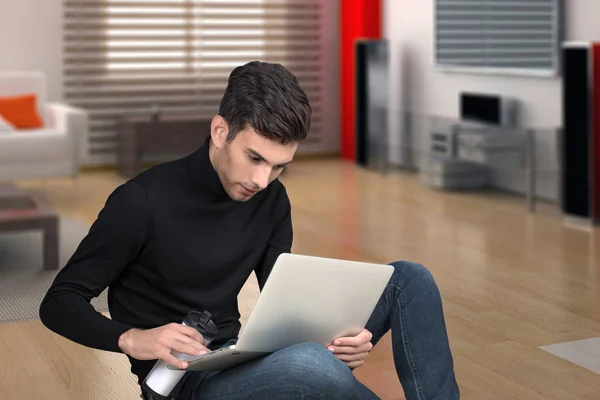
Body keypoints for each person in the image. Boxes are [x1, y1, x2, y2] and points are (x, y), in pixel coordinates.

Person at [39, 61, 459, 400]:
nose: (263, 180)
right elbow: (59, 301)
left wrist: (349, 337)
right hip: (185, 382)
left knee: (410, 279)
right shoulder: (140, 201)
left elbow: (288, 306)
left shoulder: (272, 200)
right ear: (220, 131)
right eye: (255, 158)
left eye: (279, 166)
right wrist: (131, 338)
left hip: (243, 357)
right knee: (312, 365)